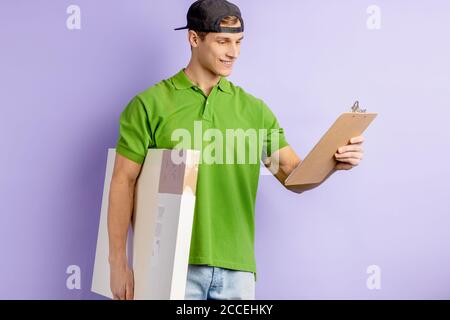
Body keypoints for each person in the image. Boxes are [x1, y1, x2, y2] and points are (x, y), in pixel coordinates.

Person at [107, 0, 365, 300]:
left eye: (239, 42)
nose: (234, 52)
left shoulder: (254, 111)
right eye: (223, 42)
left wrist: (333, 162)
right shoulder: (149, 105)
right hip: (170, 267)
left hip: (238, 271)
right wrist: (117, 262)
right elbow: (122, 181)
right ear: (194, 39)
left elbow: (293, 175)